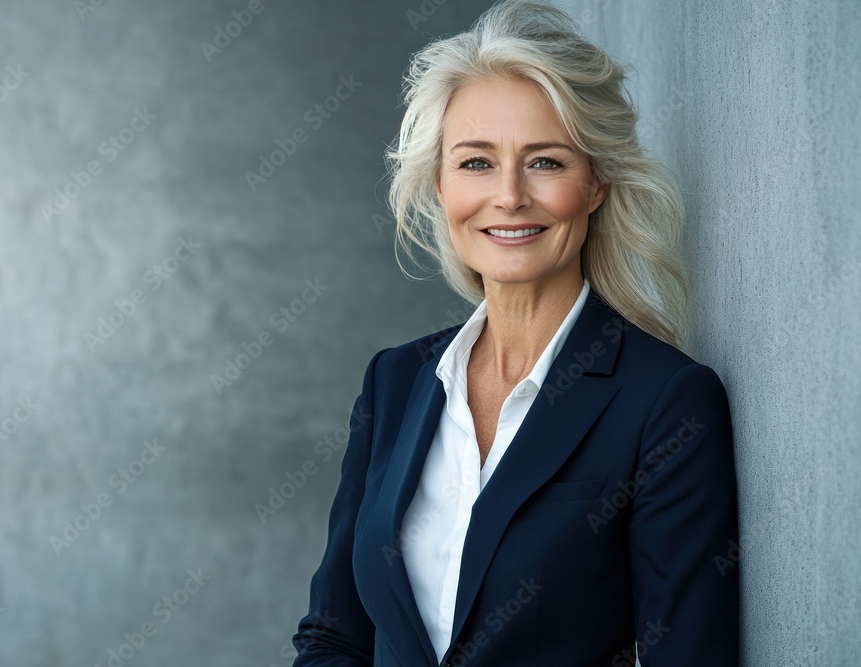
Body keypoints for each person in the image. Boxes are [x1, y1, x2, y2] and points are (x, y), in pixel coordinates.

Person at [291, 1, 740, 665]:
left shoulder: (666, 402)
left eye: (546, 162)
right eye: (475, 162)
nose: (508, 196)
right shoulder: (394, 384)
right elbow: (335, 637)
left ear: (596, 182)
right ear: (439, 184)